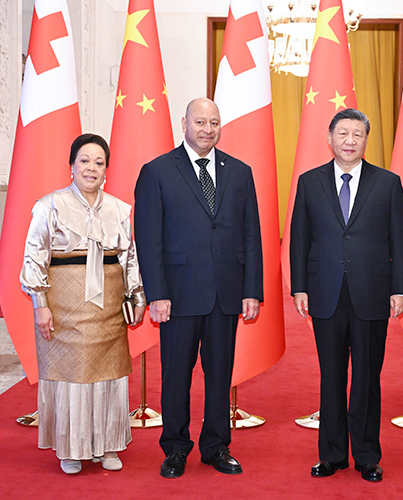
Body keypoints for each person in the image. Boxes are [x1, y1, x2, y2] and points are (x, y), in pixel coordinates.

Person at [133, 97, 264, 479]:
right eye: (200, 122)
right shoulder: (157, 171)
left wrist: (251, 290)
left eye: (214, 123)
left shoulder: (239, 172)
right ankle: (175, 448)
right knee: (176, 375)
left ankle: (216, 446)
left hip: (226, 293)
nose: (208, 129)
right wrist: (157, 294)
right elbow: (149, 239)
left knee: (220, 375)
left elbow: (251, 235)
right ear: (184, 123)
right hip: (178, 295)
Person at [289, 108, 403, 482]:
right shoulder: (309, 182)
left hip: (372, 293)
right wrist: (299, 286)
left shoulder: (387, 183)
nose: (350, 140)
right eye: (343, 133)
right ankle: (331, 455)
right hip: (325, 293)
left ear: (365, 140)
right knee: (331, 376)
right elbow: (299, 238)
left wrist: (400, 288)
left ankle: (367, 455)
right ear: (329, 138)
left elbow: (400, 240)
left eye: (357, 134)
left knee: (367, 377)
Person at [20, 133, 146, 475]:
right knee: (70, 378)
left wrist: (136, 295)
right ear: (72, 166)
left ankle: (107, 445)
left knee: (109, 376)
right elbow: (34, 256)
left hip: (109, 309)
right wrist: (40, 304)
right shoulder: (49, 206)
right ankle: (71, 448)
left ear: (106, 169)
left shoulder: (120, 209)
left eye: (99, 162)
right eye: (85, 161)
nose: (92, 168)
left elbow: (130, 258)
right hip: (64, 310)